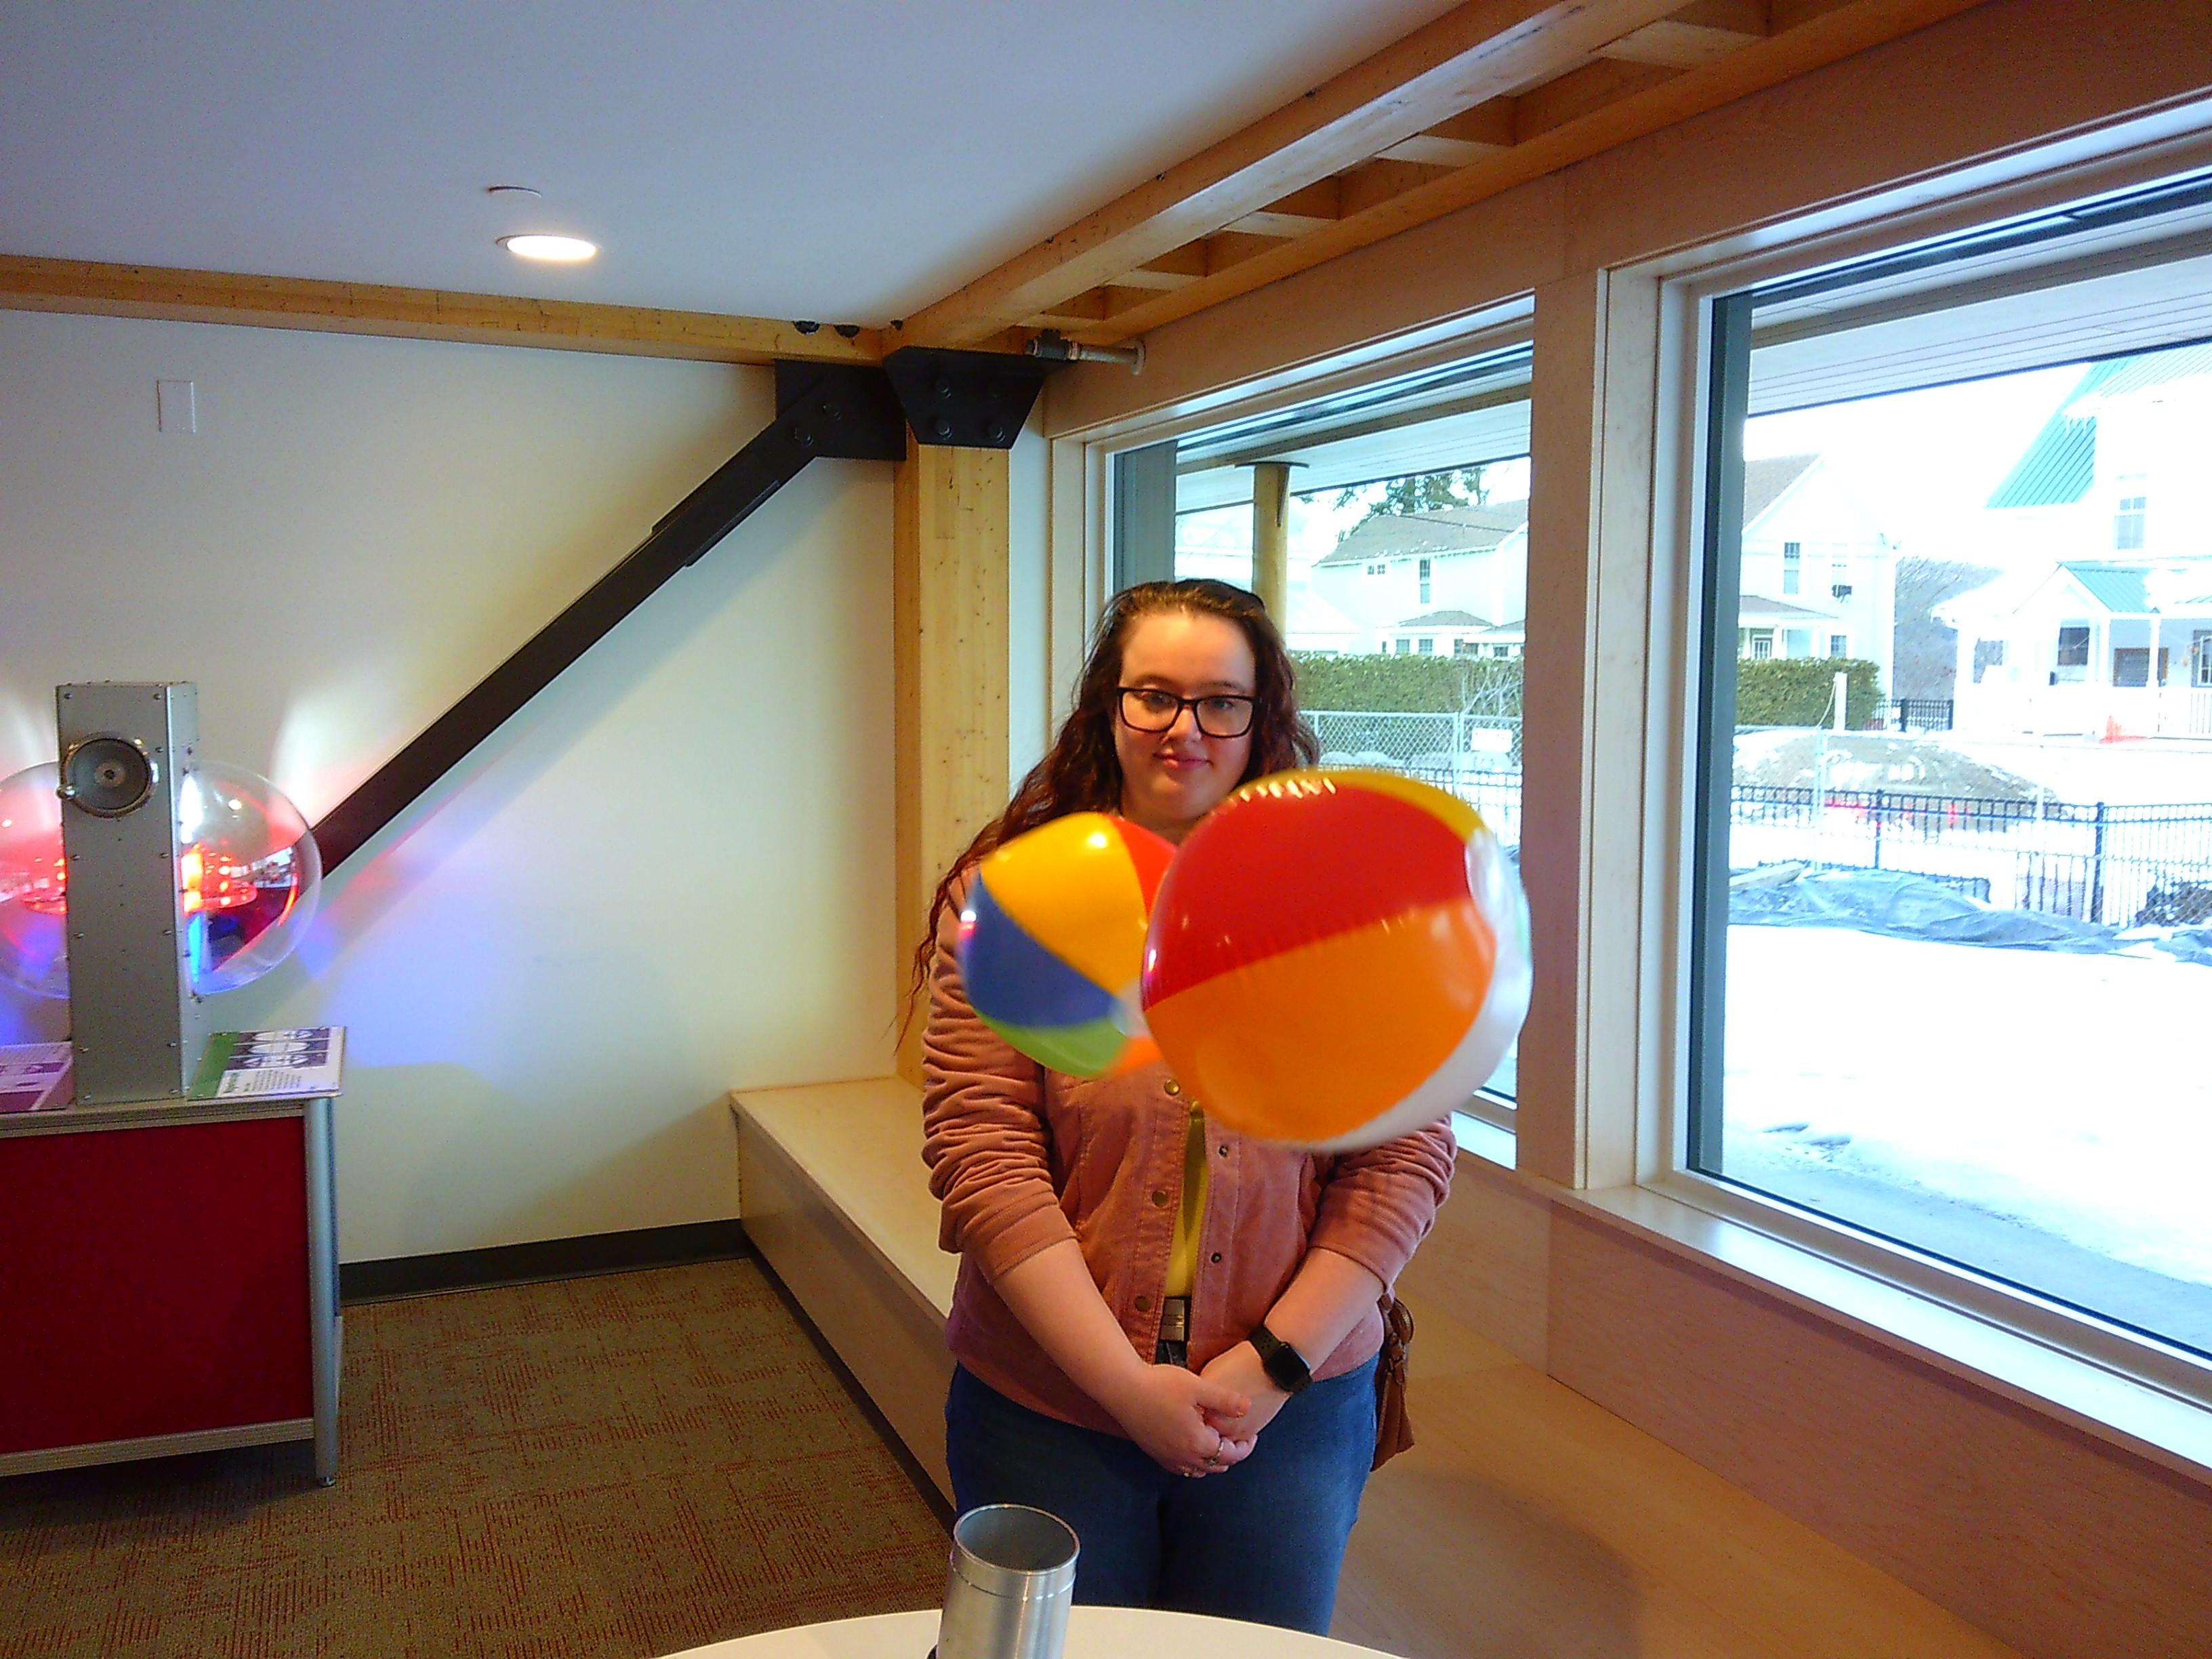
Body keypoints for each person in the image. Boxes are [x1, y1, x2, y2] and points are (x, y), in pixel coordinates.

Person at [914, 577, 1456, 1634]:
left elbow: (1401, 1157)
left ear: (1264, 718)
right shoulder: (1012, 900)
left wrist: (1274, 1367)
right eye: (1153, 696)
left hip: (1288, 1408)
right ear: (1108, 707)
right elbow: (983, 1152)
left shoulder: (1347, 909)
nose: (1185, 730)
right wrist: (1122, 1386)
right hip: (1050, 1403)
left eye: (1221, 702)